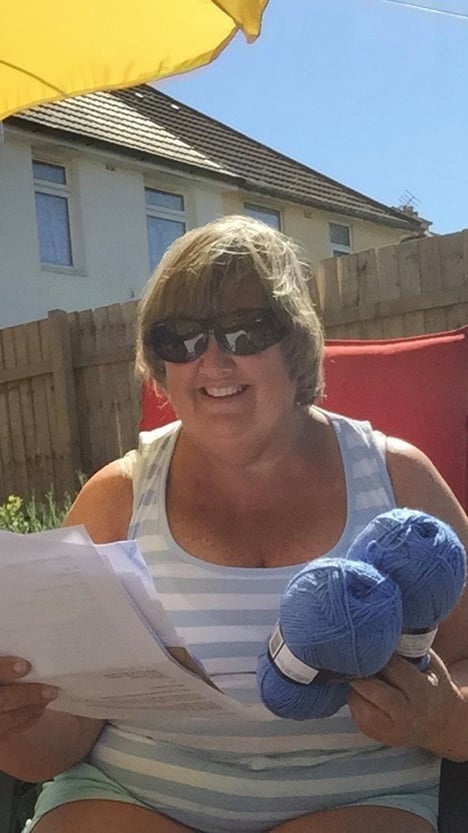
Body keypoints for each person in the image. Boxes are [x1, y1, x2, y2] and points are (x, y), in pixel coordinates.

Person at [1, 215, 467, 833]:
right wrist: (13, 723)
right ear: (159, 364)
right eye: (181, 338)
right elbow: (55, 744)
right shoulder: (117, 498)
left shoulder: (397, 482)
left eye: (248, 330)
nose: (214, 359)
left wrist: (440, 717)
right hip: (131, 795)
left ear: (296, 345)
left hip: (352, 799)